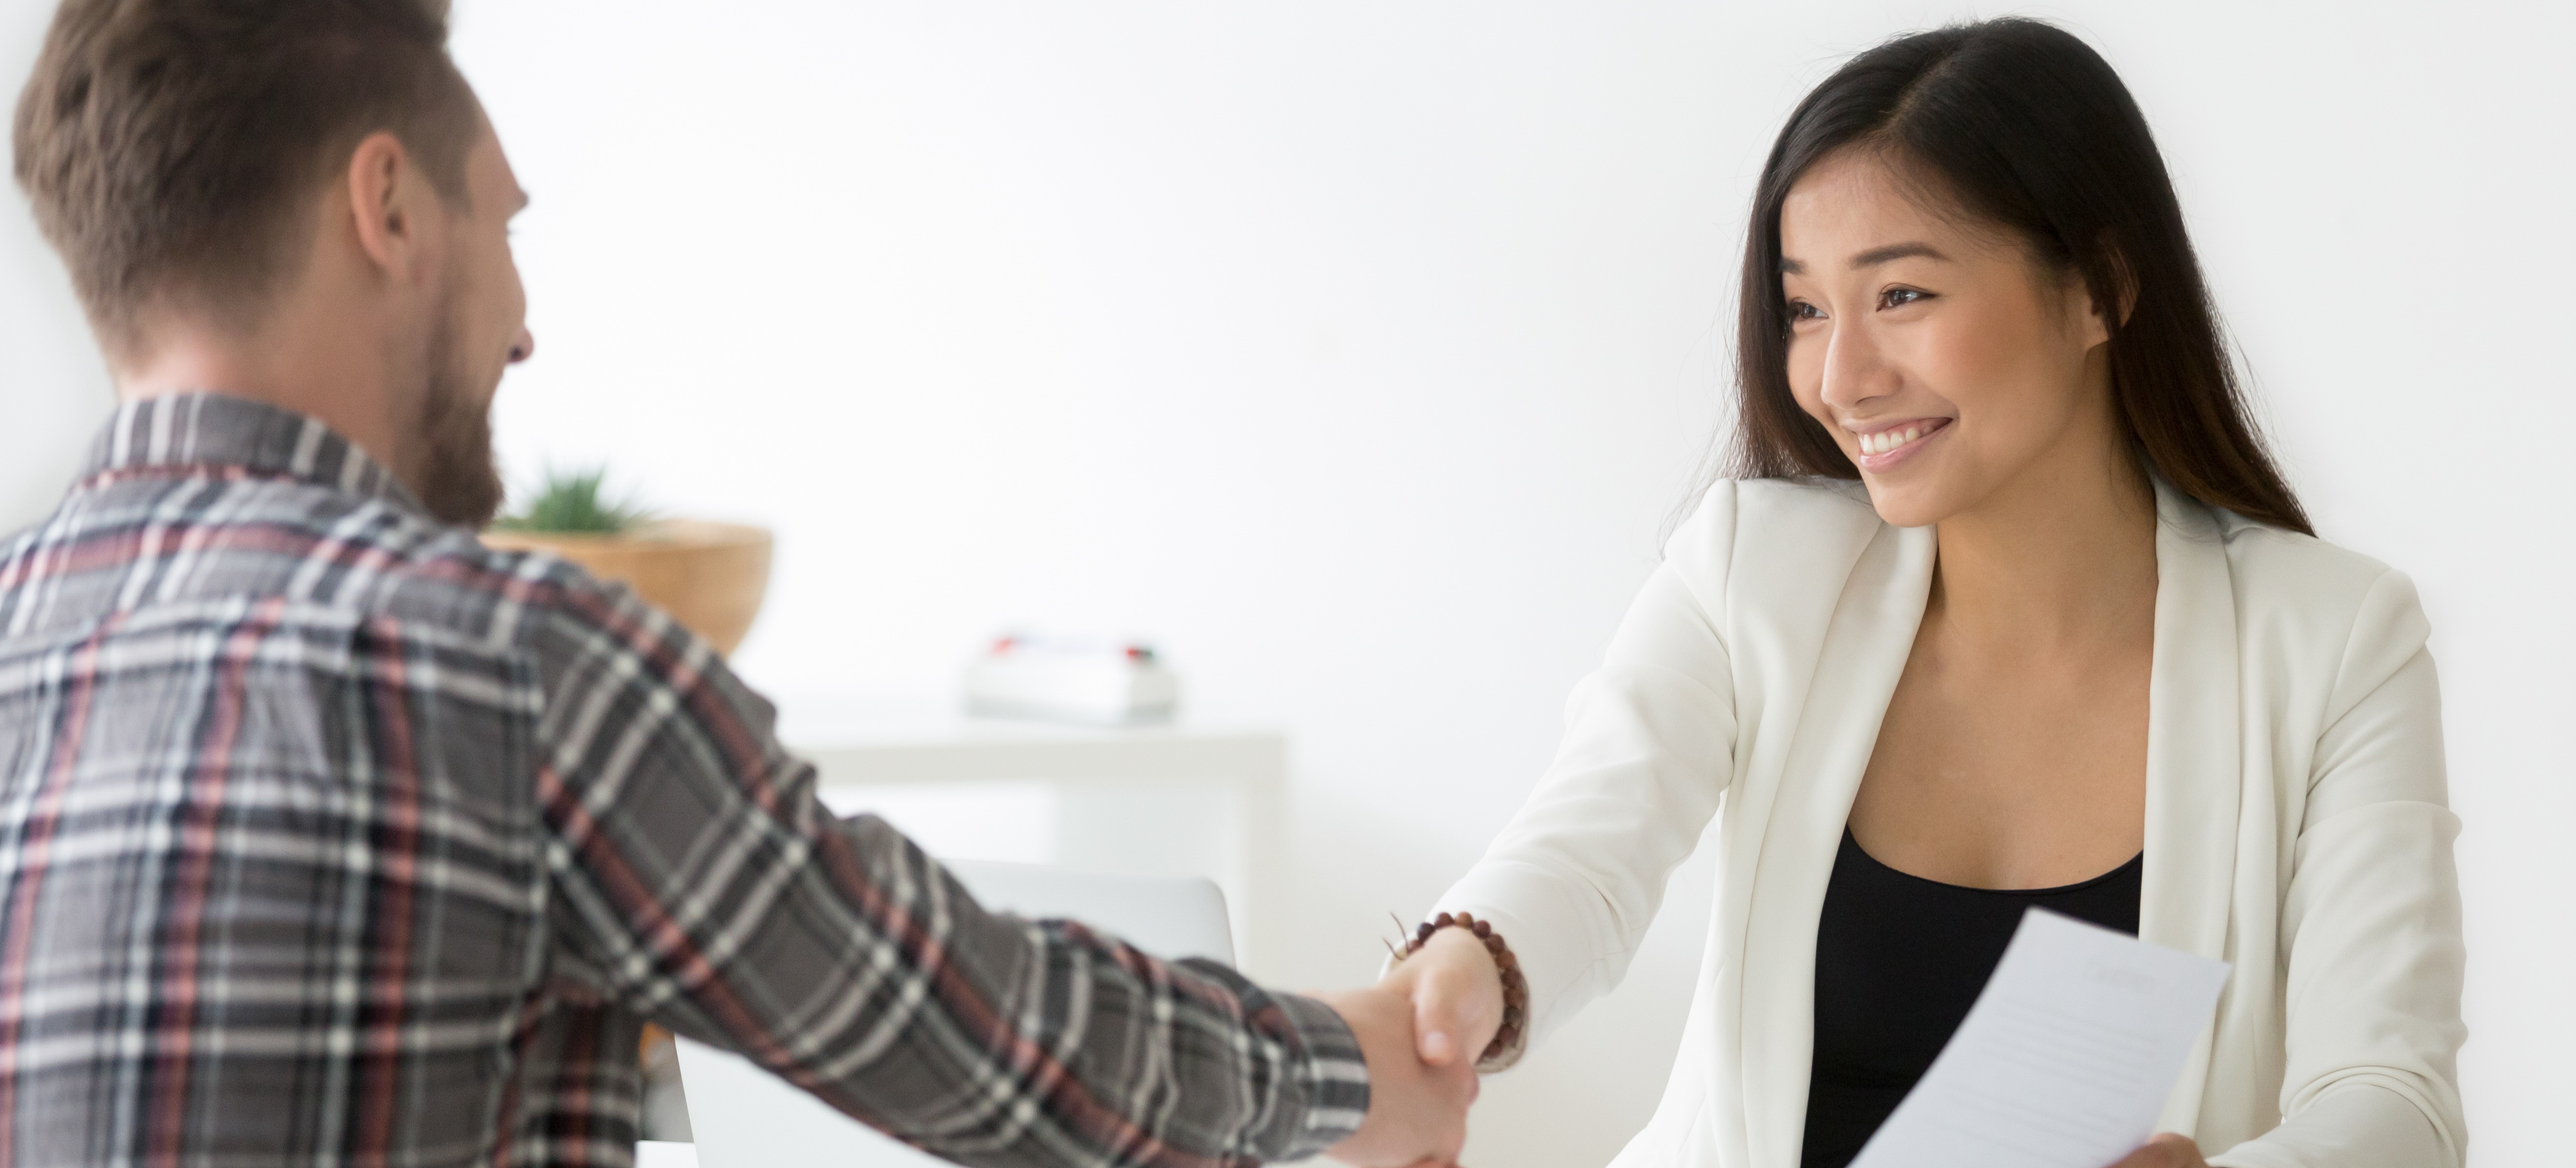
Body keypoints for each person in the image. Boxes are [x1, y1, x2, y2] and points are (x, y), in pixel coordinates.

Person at [0, 2, 1481, 1166]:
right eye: (504, 223)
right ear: (386, 206)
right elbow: (987, 1032)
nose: (522, 327)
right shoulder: (505, 665)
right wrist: (1357, 1069)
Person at [1377, 18, 2465, 1168]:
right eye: (1805, 308)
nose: (1838, 379)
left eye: (1899, 294)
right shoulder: (1753, 568)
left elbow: (2391, 1097)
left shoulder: (2337, 641)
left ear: (2098, 287)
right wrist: (1467, 969)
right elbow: (1582, 856)